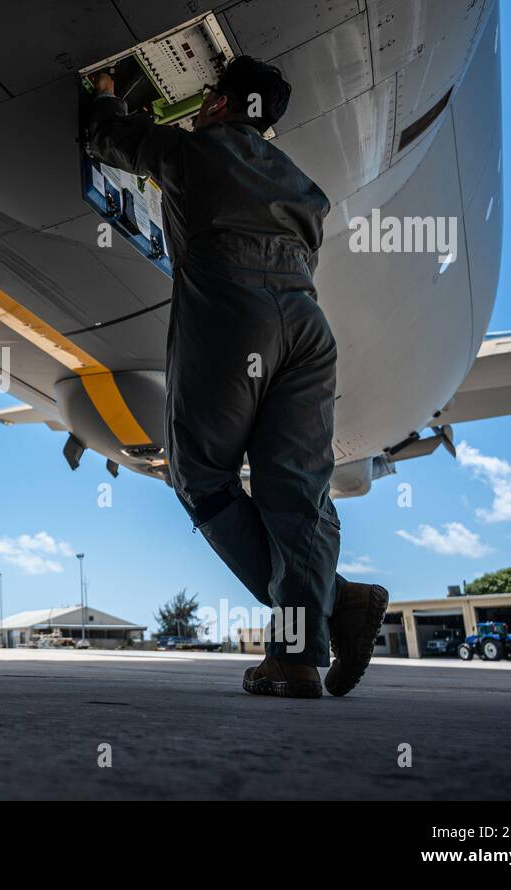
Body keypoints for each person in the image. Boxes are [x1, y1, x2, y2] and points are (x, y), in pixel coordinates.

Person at [85, 56, 388, 698]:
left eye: (210, 98)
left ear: (220, 105)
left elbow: (110, 139)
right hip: (308, 332)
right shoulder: (304, 187)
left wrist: (107, 92)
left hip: (232, 318)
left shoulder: (198, 150)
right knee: (298, 495)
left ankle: (332, 611)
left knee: (202, 476)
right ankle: (297, 661)